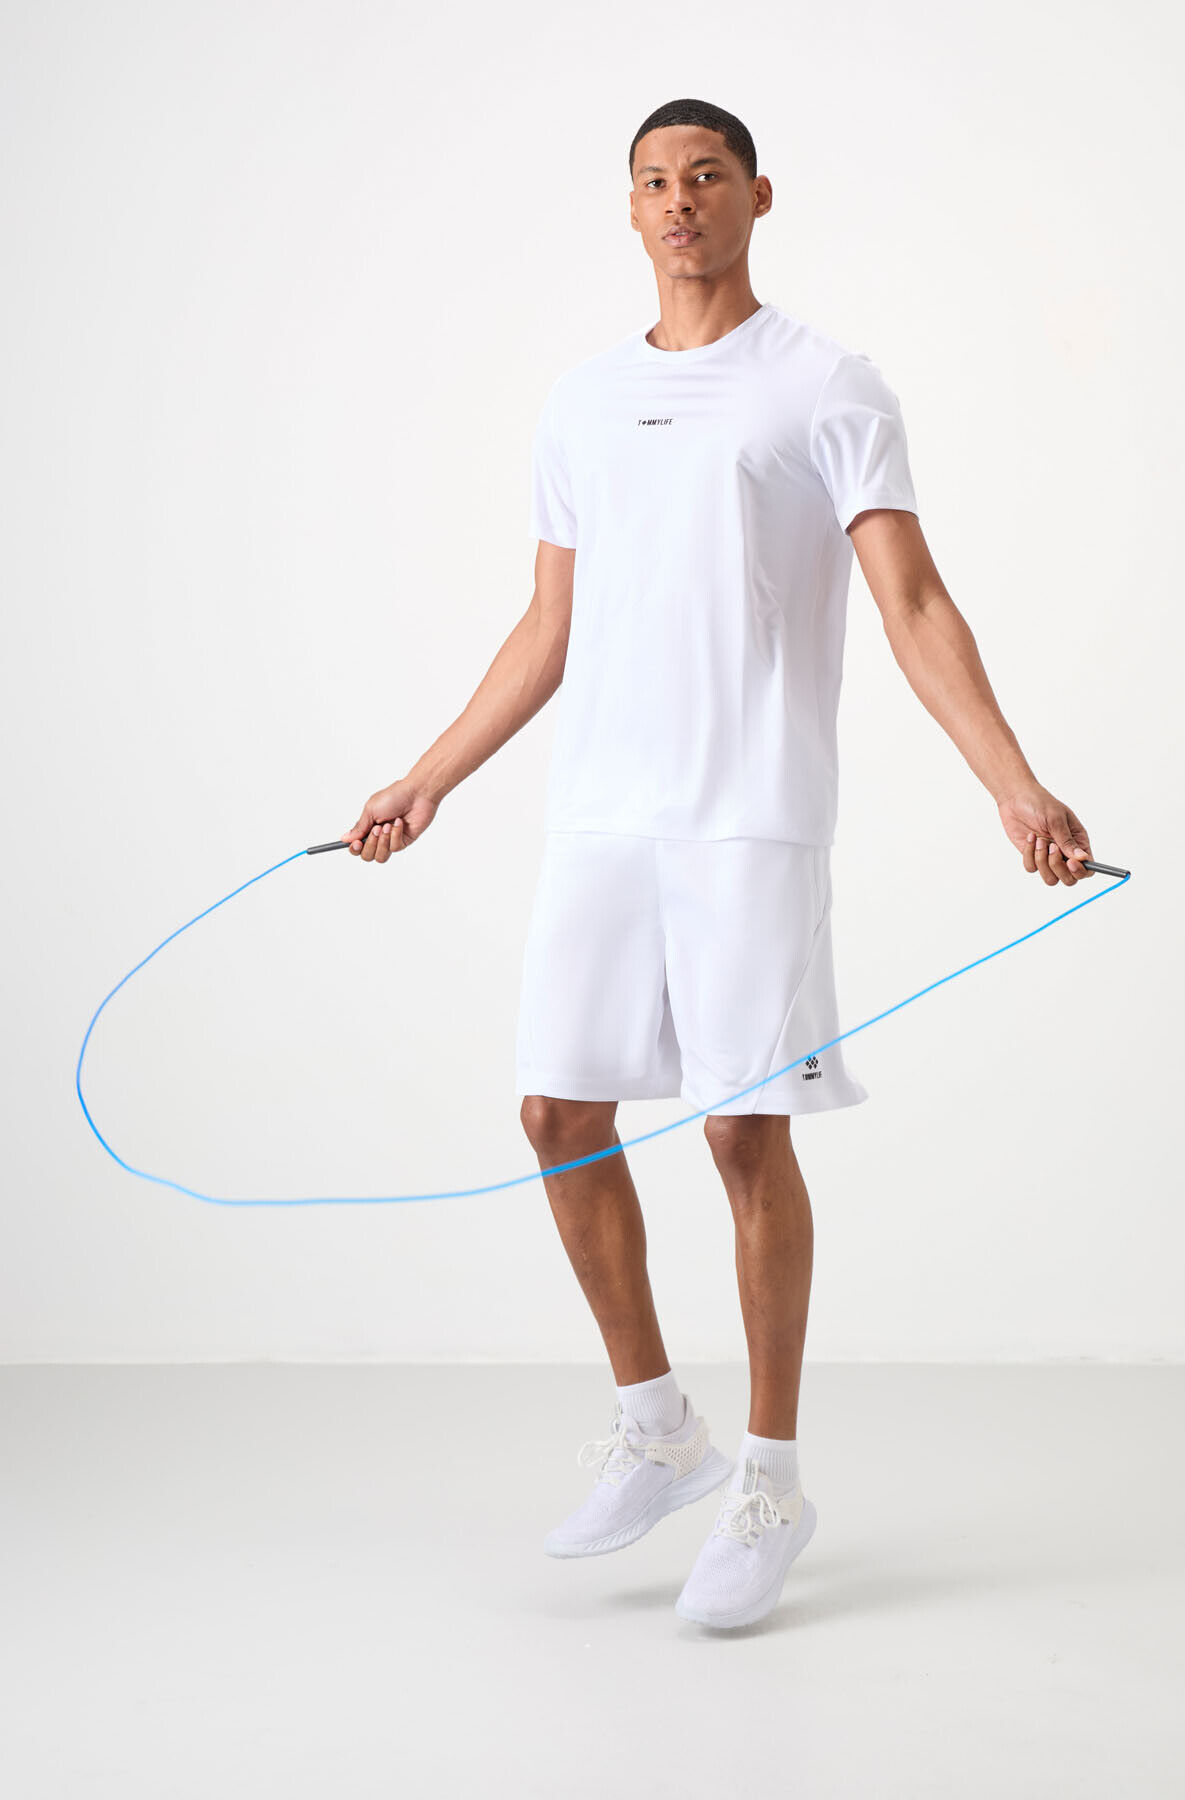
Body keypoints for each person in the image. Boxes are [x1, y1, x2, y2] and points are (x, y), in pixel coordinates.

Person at [340, 97, 1094, 1631]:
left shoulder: (825, 385)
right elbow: (547, 624)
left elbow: (914, 604)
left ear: (757, 195)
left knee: (745, 1135)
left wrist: (1014, 787)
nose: (680, 200)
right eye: (653, 182)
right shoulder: (583, 399)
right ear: (629, 212)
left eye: (705, 177)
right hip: (603, 814)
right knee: (557, 1112)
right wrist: (427, 777)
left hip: (752, 816)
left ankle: (769, 1481)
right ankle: (658, 1432)